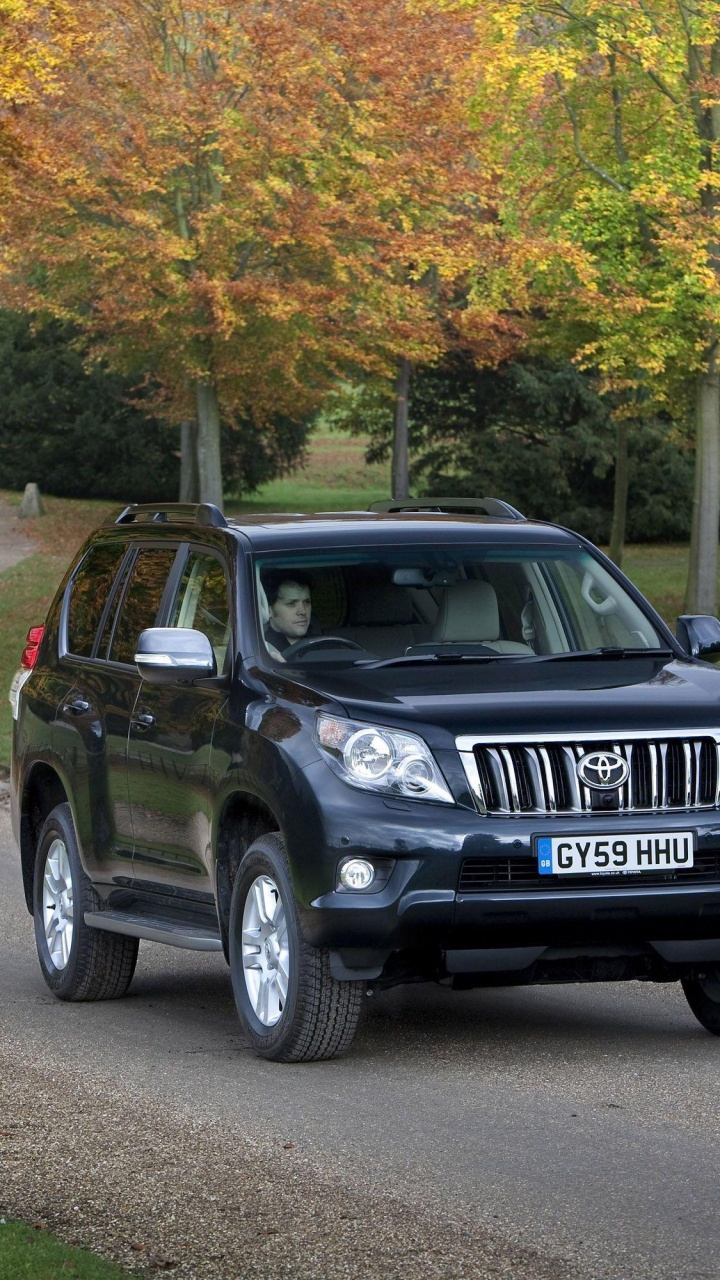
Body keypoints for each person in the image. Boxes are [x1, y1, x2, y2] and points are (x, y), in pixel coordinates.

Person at [263, 572, 314, 653]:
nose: (303, 611)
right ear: (269, 611)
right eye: (291, 603)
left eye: (307, 602)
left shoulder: (323, 645)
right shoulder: (262, 651)